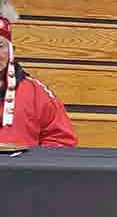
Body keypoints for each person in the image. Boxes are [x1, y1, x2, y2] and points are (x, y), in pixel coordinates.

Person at [0, 16, 78, 147]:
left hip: (19, 166)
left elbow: (61, 141)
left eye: (0, 46)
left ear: (11, 51)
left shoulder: (37, 92)